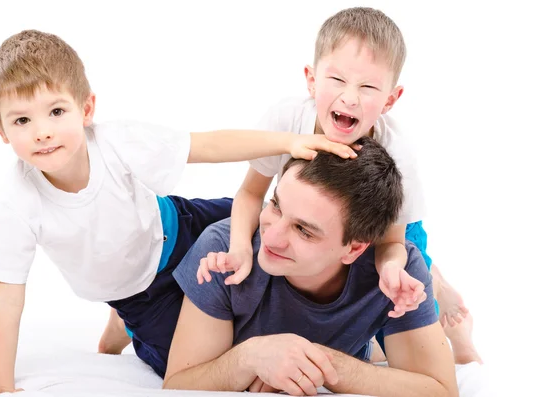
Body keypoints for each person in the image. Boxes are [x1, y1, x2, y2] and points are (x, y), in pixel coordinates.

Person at [0, 29, 350, 395]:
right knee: (195, 363)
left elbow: (205, 147)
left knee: (278, 229)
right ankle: (126, 328)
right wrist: (0, 381)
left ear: (86, 109)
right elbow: (5, 294)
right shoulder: (15, 202)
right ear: (0, 129)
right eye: (21, 120)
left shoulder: (115, 141)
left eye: (55, 111)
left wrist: (289, 141)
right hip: (141, 291)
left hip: (181, 226)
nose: (42, 132)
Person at [198, 6, 468, 329]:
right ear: (311, 81)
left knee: (409, 295)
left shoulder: (397, 152)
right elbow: (250, 193)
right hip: (326, 229)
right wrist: (240, 246)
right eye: (337, 79)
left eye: (368, 87)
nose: (350, 97)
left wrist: (392, 267)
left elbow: (392, 242)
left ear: (390, 100)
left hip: (390, 228)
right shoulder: (287, 120)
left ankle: (442, 293)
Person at [165, 137, 459, 396]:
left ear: (355, 248)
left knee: (370, 351)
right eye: (276, 205)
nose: (273, 236)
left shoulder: (394, 274)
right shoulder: (221, 252)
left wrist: (313, 360)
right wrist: (250, 356)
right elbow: (178, 382)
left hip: (352, 345)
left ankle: (454, 326)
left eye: (304, 230)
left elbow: (440, 390)